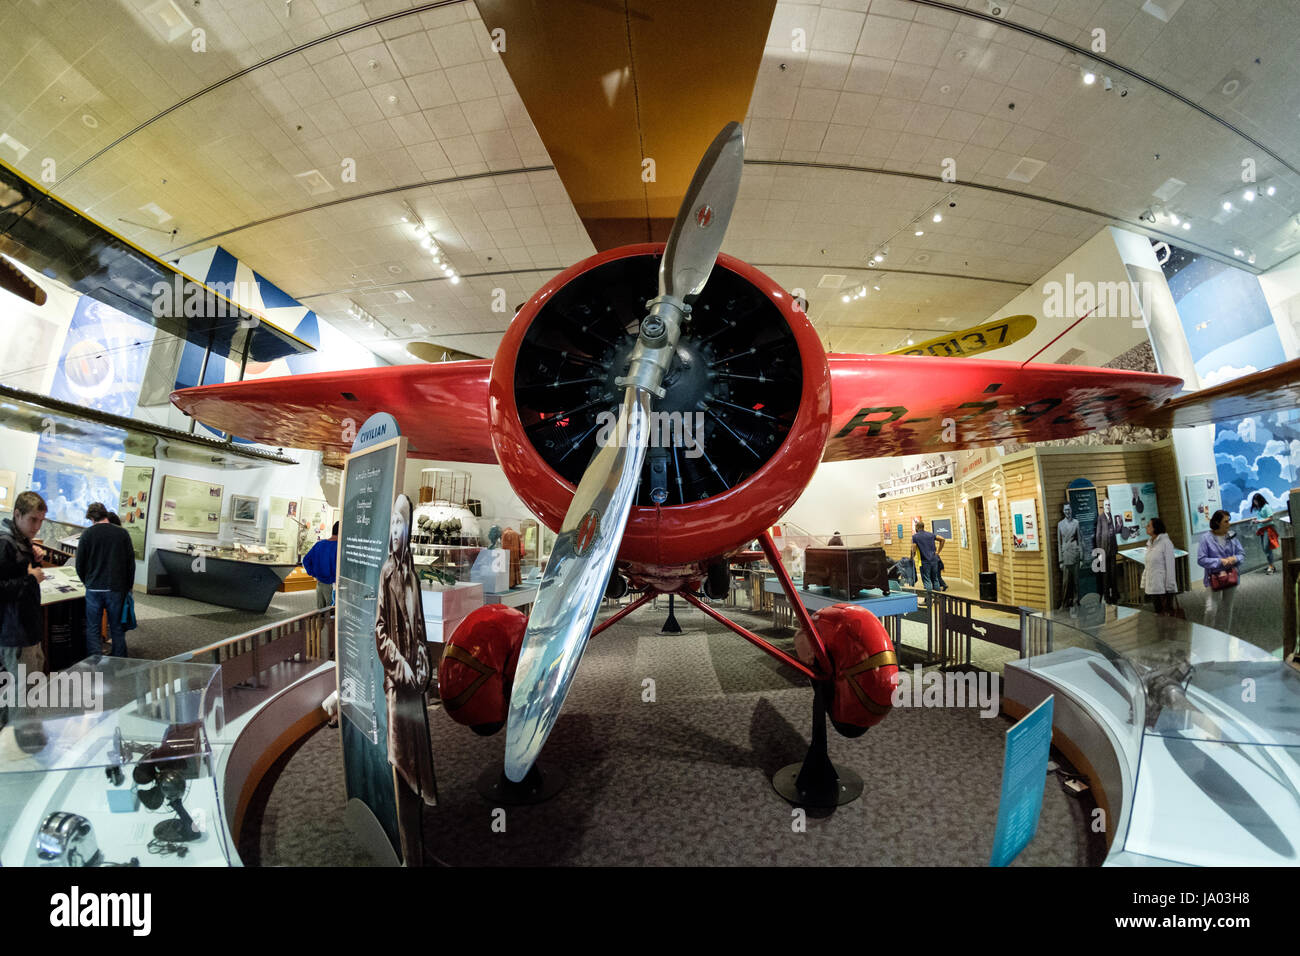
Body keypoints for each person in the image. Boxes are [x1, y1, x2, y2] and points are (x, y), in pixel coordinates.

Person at [375, 494, 436, 807]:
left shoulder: (411, 575)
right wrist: (403, 668)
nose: (398, 530)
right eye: (395, 523)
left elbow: (420, 627)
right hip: (399, 683)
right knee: (401, 757)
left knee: (417, 752)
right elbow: (380, 630)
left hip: (414, 679)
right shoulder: (386, 573)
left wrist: (423, 662)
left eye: (403, 524)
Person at [75, 501, 136, 659]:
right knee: (116, 628)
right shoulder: (122, 533)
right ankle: (120, 661)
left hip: (94, 588)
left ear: (91, 518)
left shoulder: (87, 534)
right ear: (105, 514)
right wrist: (128, 586)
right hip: (116, 589)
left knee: (93, 628)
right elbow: (130, 564)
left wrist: (87, 581)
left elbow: (79, 564)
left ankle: (95, 662)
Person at [0, 491, 48, 678]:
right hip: (15, 632)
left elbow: (19, 571)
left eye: (41, 521)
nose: (37, 527)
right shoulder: (6, 543)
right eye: (33, 520)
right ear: (17, 514)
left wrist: (34, 559)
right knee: (25, 695)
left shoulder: (21, 540)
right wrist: (30, 578)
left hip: (26, 627)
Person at [1197, 509, 1244, 635]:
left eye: (1229, 521)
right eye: (1226, 521)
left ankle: (1225, 633)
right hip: (1214, 578)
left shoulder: (1232, 536)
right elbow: (1201, 560)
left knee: (1227, 607)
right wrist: (1219, 562)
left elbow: (1241, 554)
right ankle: (1208, 634)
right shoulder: (1206, 538)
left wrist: (1234, 559)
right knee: (1210, 609)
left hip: (1231, 576)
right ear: (1217, 523)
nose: (1229, 524)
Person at [1143, 517, 1179, 616]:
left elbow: (1170, 566)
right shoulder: (1150, 543)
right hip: (1154, 587)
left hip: (1164, 588)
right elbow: (1148, 565)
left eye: (1149, 525)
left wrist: (1170, 587)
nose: (1146, 527)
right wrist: (1145, 582)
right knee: (1158, 614)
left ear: (1155, 528)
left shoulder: (1166, 543)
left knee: (1167, 616)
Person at [302, 522, 339, 608]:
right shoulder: (339, 547)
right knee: (331, 613)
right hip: (332, 585)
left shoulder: (319, 544)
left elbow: (306, 560)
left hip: (319, 583)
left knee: (320, 612)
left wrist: (313, 574)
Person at [1057, 502, 1081, 609]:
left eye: (1069, 509)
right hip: (1065, 556)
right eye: (1066, 510)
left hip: (1075, 555)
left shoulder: (1076, 523)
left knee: (1076, 582)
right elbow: (1059, 543)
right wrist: (1060, 561)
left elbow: (1080, 541)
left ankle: (1076, 602)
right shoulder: (1060, 524)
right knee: (1065, 582)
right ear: (1063, 511)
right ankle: (1064, 603)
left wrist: (1081, 558)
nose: (1067, 512)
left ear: (1071, 510)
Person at [1249, 493, 1279, 575]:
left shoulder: (1266, 506)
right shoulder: (1260, 508)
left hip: (1268, 529)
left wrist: (1259, 521)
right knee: (1265, 548)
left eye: (1256, 501)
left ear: (1260, 500)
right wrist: (1257, 519)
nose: (1255, 503)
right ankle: (1271, 565)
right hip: (1262, 529)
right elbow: (1262, 517)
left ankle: (1271, 566)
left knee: (1266, 548)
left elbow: (1270, 518)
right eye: (1254, 502)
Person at [910, 518, 941, 591]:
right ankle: (938, 599)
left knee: (927, 580)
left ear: (916, 528)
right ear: (923, 527)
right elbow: (942, 539)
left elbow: (914, 549)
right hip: (934, 560)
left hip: (924, 562)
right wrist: (938, 552)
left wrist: (911, 557)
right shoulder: (931, 535)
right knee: (935, 579)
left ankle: (928, 600)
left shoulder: (915, 536)